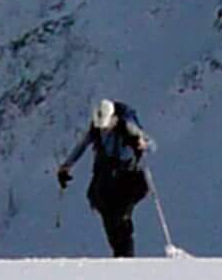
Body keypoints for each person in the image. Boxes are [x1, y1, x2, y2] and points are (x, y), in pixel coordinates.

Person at [57, 98, 152, 256]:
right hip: (106, 179)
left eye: (106, 127)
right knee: (109, 217)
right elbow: (82, 145)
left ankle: (126, 256)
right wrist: (66, 166)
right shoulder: (96, 128)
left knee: (121, 217)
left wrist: (140, 143)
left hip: (127, 178)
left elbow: (149, 144)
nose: (104, 131)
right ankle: (120, 254)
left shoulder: (128, 127)